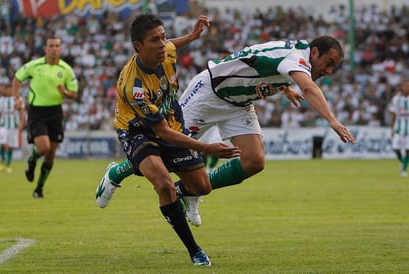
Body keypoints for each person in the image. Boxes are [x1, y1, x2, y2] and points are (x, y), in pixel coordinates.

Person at [97, 36, 356, 227]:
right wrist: (332, 120)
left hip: (238, 104)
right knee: (163, 148)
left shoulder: (295, 53)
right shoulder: (296, 59)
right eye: (328, 62)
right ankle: (116, 172)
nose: (329, 70)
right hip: (209, 94)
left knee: (254, 161)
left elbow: (259, 58)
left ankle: (188, 191)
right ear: (314, 52)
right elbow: (308, 88)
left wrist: (284, 86)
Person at [95, 14, 240, 266]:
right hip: (137, 130)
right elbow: (161, 133)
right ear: (138, 47)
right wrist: (206, 148)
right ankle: (194, 250)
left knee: (202, 187)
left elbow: (173, 44)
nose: (163, 44)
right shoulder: (134, 86)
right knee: (163, 184)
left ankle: (125, 168)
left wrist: (193, 36)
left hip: (171, 121)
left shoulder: (166, 51)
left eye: (163, 37)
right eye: (155, 40)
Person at [12, 36, 79, 198]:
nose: (54, 48)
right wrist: (17, 98)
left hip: (55, 112)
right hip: (37, 112)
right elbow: (17, 78)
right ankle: (32, 160)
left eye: (57, 45)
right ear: (45, 48)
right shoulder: (34, 65)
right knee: (43, 148)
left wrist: (65, 92)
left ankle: (39, 188)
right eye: (51, 45)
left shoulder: (66, 69)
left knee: (51, 155)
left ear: (61, 49)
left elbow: (74, 94)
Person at [0, 84, 26, 173]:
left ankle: (8, 165)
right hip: (3, 125)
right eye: (7, 89)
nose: (9, 91)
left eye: (10, 89)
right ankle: (2, 162)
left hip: (14, 126)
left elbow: (22, 112)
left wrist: (21, 123)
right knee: (2, 143)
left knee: (10, 146)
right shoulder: (1, 100)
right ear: (5, 90)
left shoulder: (18, 99)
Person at [389, 79, 409, 177]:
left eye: (407, 86)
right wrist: (392, 128)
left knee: (407, 149)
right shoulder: (396, 99)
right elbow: (393, 114)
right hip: (399, 127)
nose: (406, 88)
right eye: (404, 86)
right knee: (396, 148)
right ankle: (403, 161)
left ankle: (404, 169)